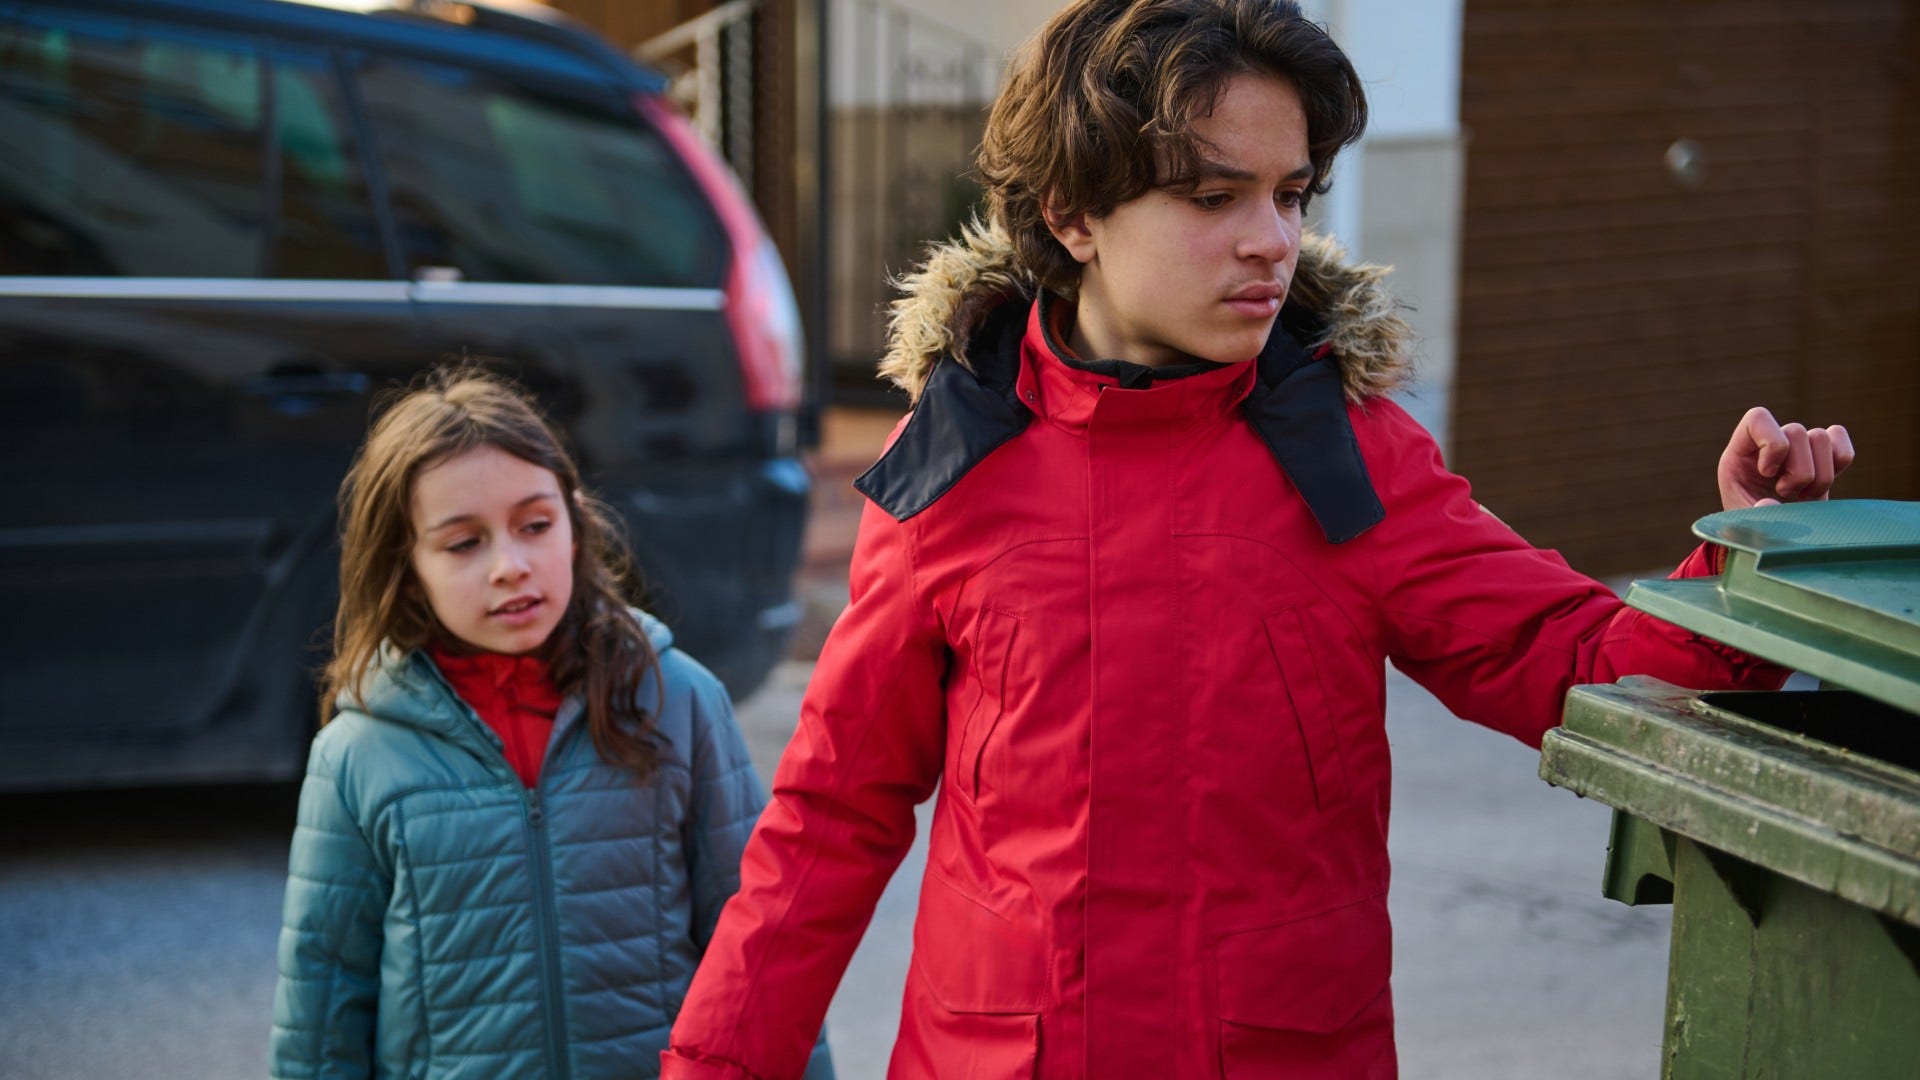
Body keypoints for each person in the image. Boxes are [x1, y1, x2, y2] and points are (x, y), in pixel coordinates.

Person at [662, 1, 1855, 1076]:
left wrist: (1749, 551)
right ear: (1072, 214)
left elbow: (1584, 666)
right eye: (1212, 197)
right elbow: (832, 817)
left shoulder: (1346, 457)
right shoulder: (950, 466)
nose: (1272, 241)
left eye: (1291, 195)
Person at [268, 370, 832, 1079]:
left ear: (573, 528)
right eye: (463, 543)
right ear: (407, 568)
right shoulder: (356, 753)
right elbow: (321, 1011)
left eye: (534, 525)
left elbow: (761, 952)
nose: (510, 565)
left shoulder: (678, 702)